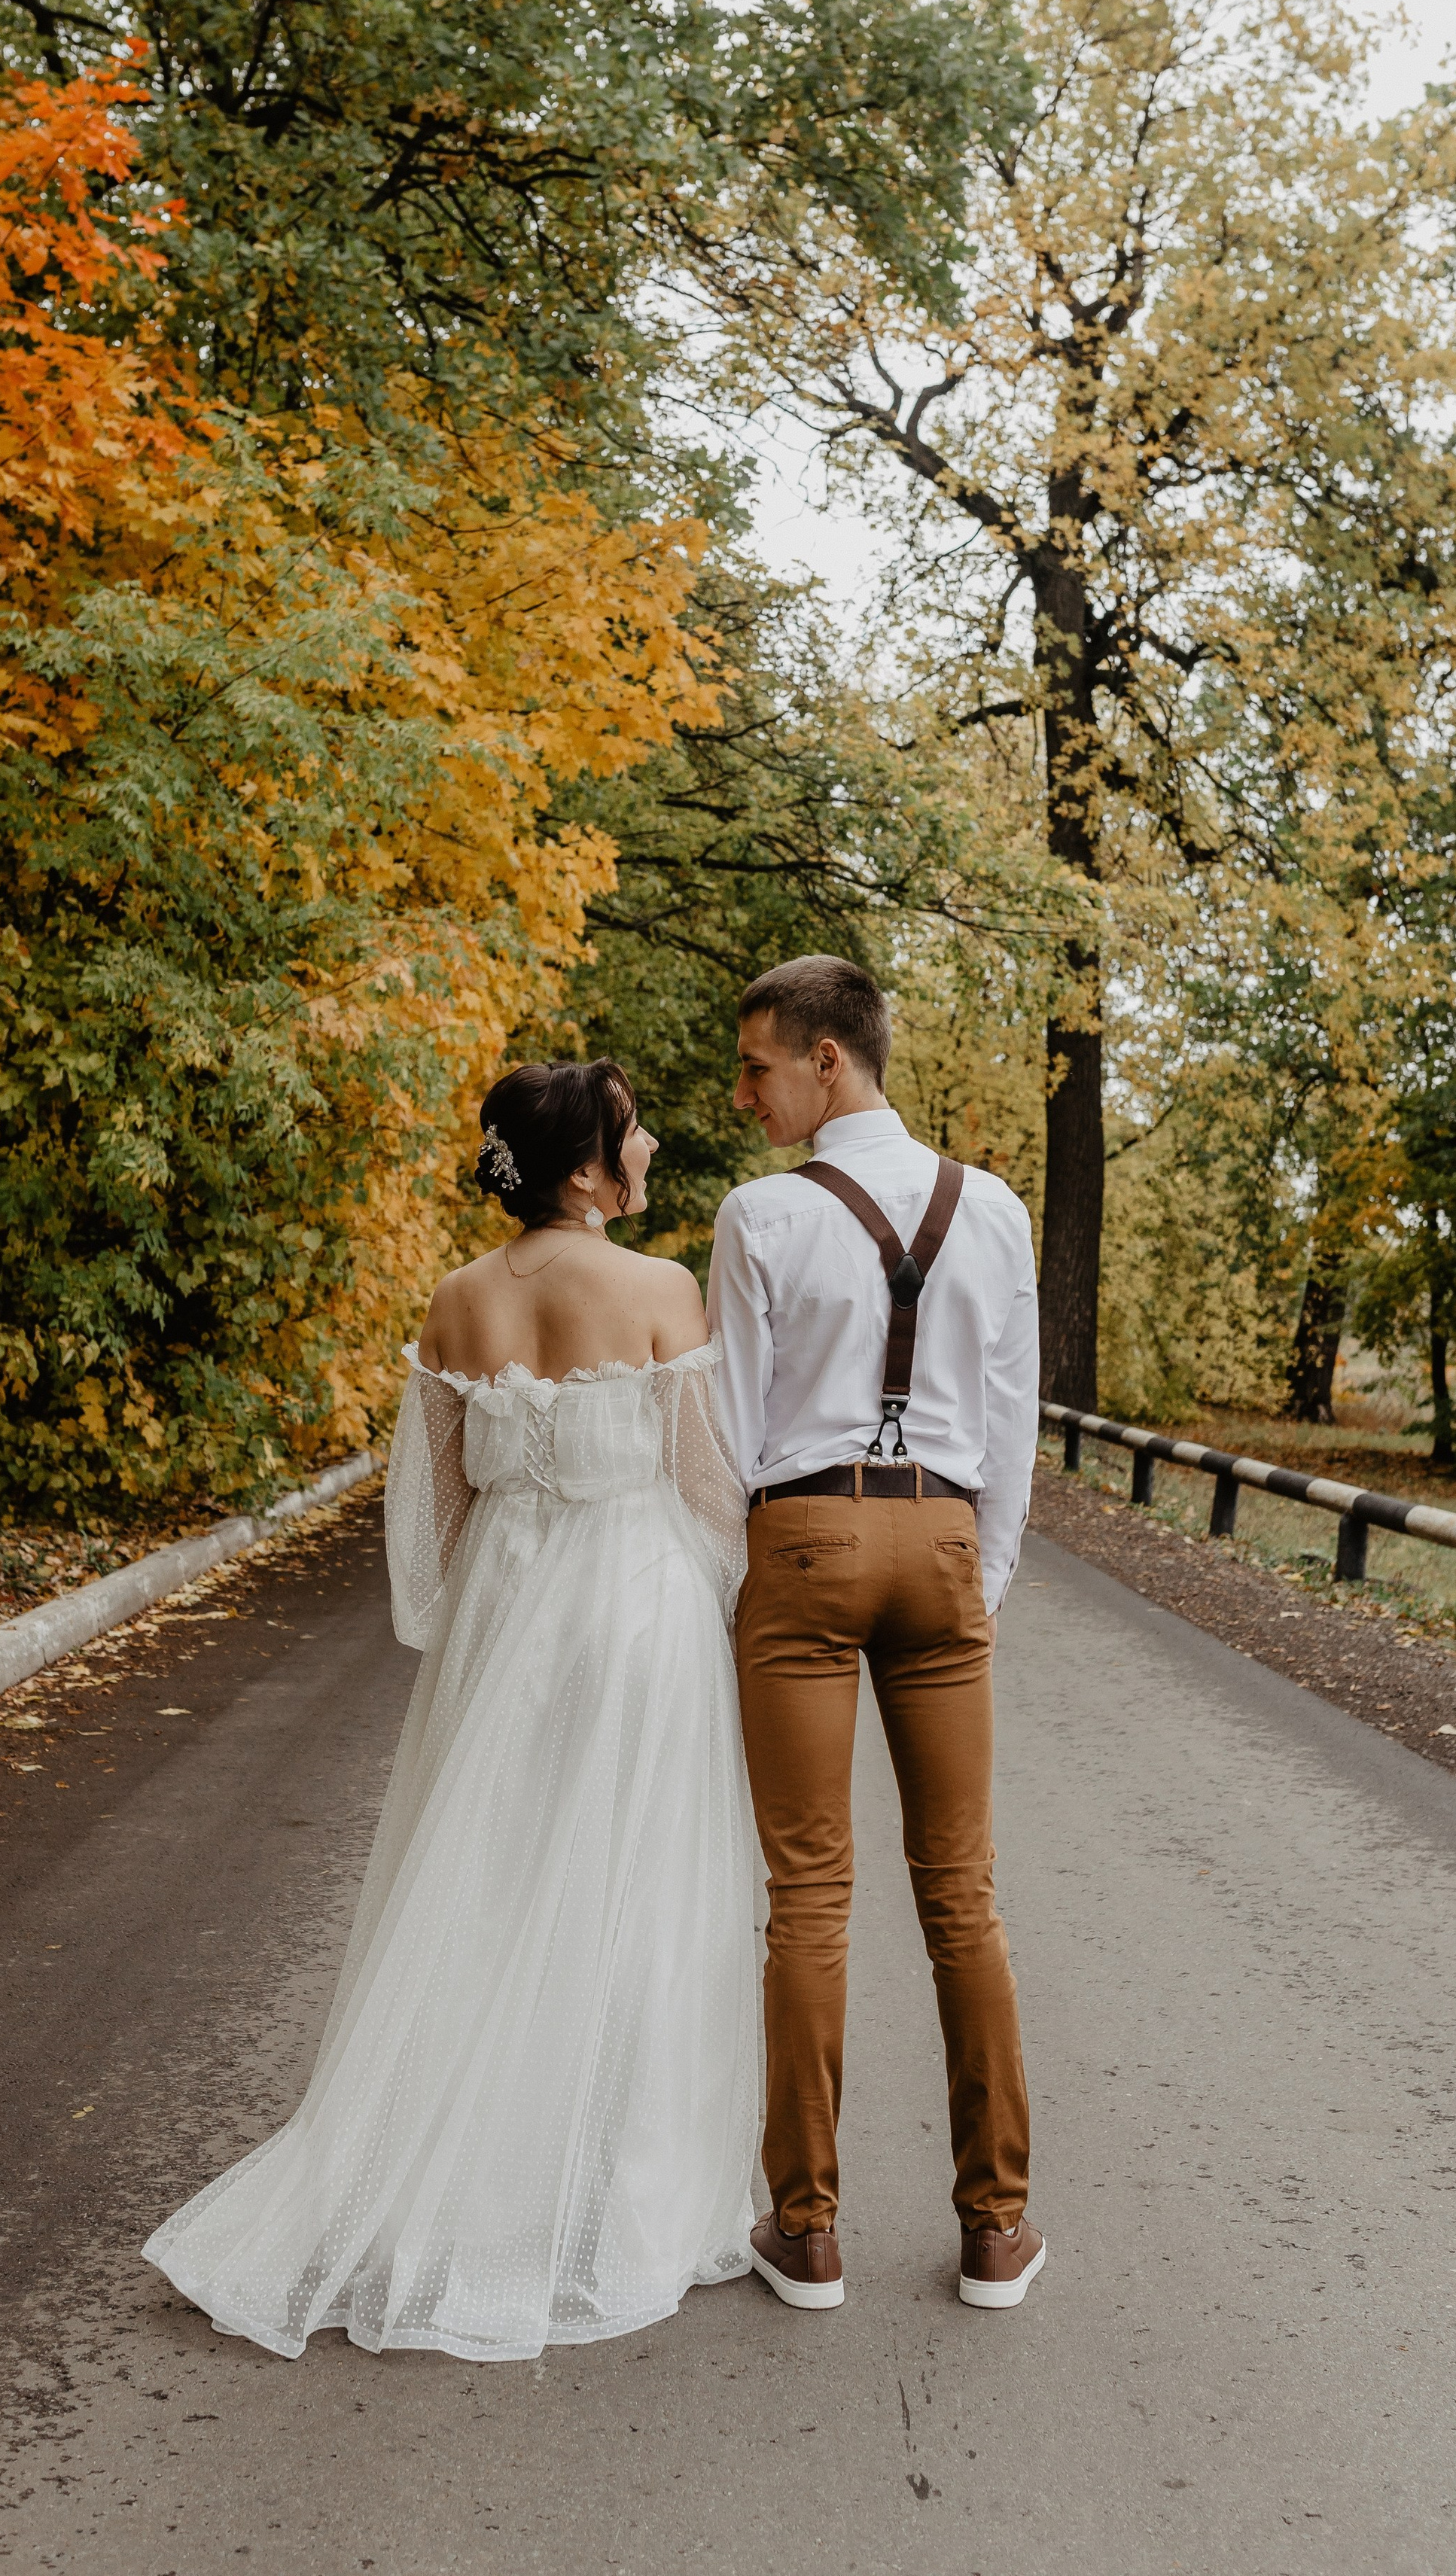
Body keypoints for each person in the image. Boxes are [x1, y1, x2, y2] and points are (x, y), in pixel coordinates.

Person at [144, 1060, 759, 2363]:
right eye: (631, 1136)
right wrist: (714, 1607)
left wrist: (459, 1616)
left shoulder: (455, 1299)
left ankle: (451, 2168)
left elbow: (429, 1509)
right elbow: (710, 1492)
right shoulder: (659, 1289)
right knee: (626, 1895)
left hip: (502, 1622)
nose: (645, 1152)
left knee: (485, 1885)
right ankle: (600, 2193)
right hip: (633, 1614)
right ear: (587, 1170)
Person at [705, 956, 1043, 2313]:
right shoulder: (999, 1209)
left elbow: (729, 1434)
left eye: (758, 1066)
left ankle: (809, 2231)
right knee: (961, 1892)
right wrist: (984, 1566)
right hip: (947, 1539)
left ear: (828, 1060)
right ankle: (998, 2232)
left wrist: (742, 1575)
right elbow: (1013, 1414)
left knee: (809, 1899)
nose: (744, 1092)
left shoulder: (759, 1217)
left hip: (801, 1535)